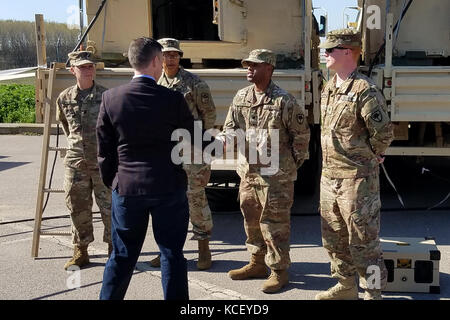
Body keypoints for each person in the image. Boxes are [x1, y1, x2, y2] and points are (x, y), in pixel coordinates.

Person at [97, 37, 195, 300]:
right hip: (168, 188)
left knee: (122, 255)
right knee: (171, 253)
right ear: (156, 61)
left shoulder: (110, 98)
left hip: (127, 189)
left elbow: (105, 151)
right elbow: (194, 138)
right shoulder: (173, 99)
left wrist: (115, 183)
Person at [218, 49, 310, 293]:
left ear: (269, 68)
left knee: (275, 224)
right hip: (248, 174)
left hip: (276, 177)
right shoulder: (241, 97)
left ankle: (279, 271)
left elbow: (301, 138)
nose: (249, 69)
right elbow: (230, 127)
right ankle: (257, 263)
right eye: (247, 65)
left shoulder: (284, 101)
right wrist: (224, 141)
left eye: (255, 65)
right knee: (252, 221)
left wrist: (289, 167)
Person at [315, 29, 394, 300]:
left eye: (331, 50)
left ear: (348, 52)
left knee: (364, 242)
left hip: (357, 179)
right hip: (329, 177)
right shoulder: (328, 86)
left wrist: (373, 154)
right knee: (334, 238)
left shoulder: (365, 89)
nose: (325, 54)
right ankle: (346, 286)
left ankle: (373, 293)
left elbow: (383, 133)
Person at [147, 38, 216, 271]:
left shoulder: (194, 83)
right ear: (159, 57)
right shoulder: (154, 82)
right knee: (165, 203)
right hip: (164, 152)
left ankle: (204, 250)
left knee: (195, 199)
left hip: (192, 153)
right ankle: (166, 251)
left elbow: (209, 116)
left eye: (174, 55)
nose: (170, 58)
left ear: (180, 57)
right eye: (166, 55)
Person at [56, 51, 111, 271]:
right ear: (73, 70)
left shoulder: (106, 96)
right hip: (76, 163)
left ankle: (114, 249)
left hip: (102, 163)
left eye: (90, 66)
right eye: (82, 67)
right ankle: (81, 250)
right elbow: (66, 127)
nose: (87, 70)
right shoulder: (64, 98)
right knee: (77, 207)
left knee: (109, 208)